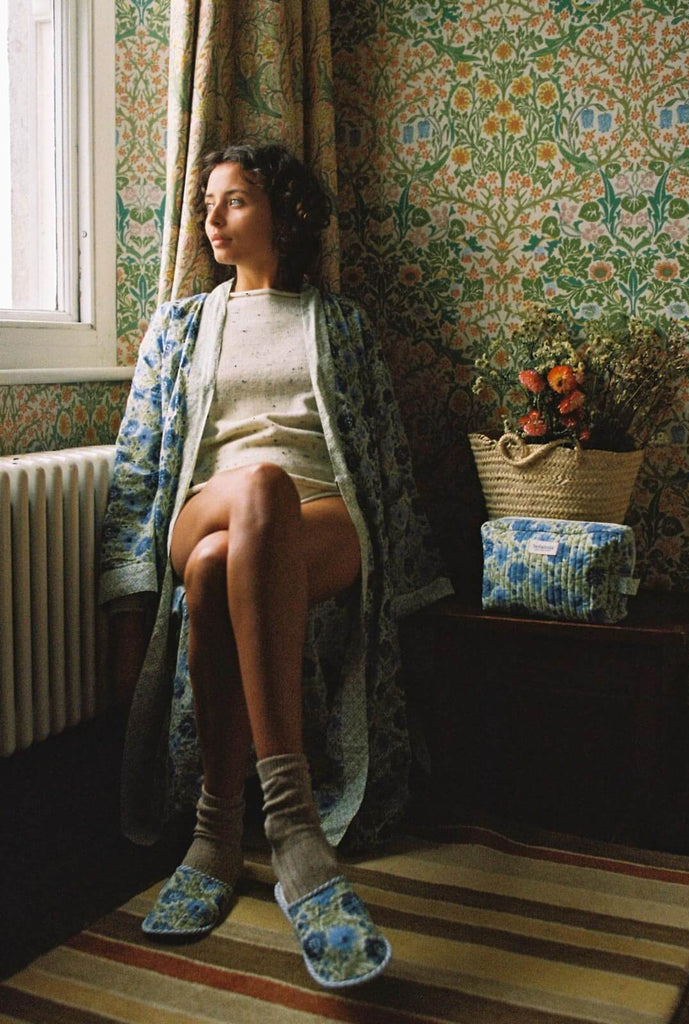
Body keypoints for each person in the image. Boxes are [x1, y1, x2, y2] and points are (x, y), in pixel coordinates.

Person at [99, 142, 452, 988]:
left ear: (285, 215)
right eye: (208, 205)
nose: (213, 219)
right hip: (208, 501)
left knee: (224, 559)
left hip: (322, 516)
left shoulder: (341, 324)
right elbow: (140, 463)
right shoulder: (181, 326)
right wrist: (123, 606)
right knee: (253, 490)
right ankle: (295, 829)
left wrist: (415, 600)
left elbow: (382, 458)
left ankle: (217, 835)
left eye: (236, 201)